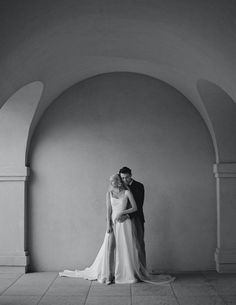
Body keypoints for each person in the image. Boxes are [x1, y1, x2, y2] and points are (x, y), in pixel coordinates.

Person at [59, 173, 175, 284]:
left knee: (125, 247)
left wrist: (122, 213)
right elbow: (108, 211)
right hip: (113, 223)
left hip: (124, 223)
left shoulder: (127, 193)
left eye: (116, 181)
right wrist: (108, 225)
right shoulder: (109, 193)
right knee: (110, 247)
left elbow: (135, 208)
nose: (114, 183)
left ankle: (126, 273)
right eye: (112, 181)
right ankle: (108, 275)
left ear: (119, 182)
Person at [118, 166, 146, 269]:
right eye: (123, 178)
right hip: (121, 221)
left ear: (131, 175)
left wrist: (127, 215)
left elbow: (139, 205)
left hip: (136, 218)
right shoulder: (119, 187)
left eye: (127, 177)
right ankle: (128, 270)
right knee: (125, 246)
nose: (125, 180)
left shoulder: (139, 186)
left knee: (139, 245)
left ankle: (142, 271)